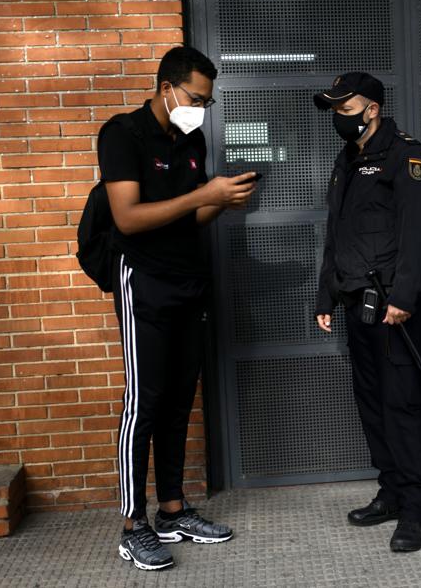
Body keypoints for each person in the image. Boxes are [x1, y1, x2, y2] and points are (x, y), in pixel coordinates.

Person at [99, 46, 257, 571]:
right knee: (144, 401)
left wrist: (224, 199)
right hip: (143, 279)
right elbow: (128, 218)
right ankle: (131, 524)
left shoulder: (193, 139)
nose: (201, 109)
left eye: (207, 102)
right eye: (196, 98)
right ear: (167, 86)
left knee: (178, 401)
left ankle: (171, 510)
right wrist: (200, 196)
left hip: (189, 280)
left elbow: (191, 217)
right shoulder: (122, 134)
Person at [312, 72, 421, 553]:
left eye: (346, 111)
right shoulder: (348, 161)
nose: (338, 120)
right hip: (355, 304)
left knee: (401, 404)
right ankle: (390, 493)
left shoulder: (406, 157)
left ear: (372, 110)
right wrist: (326, 295)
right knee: (371, 402)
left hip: (393, 306)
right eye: (335, 113)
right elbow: (337, 234)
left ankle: (414, 510)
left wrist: (404, 297)